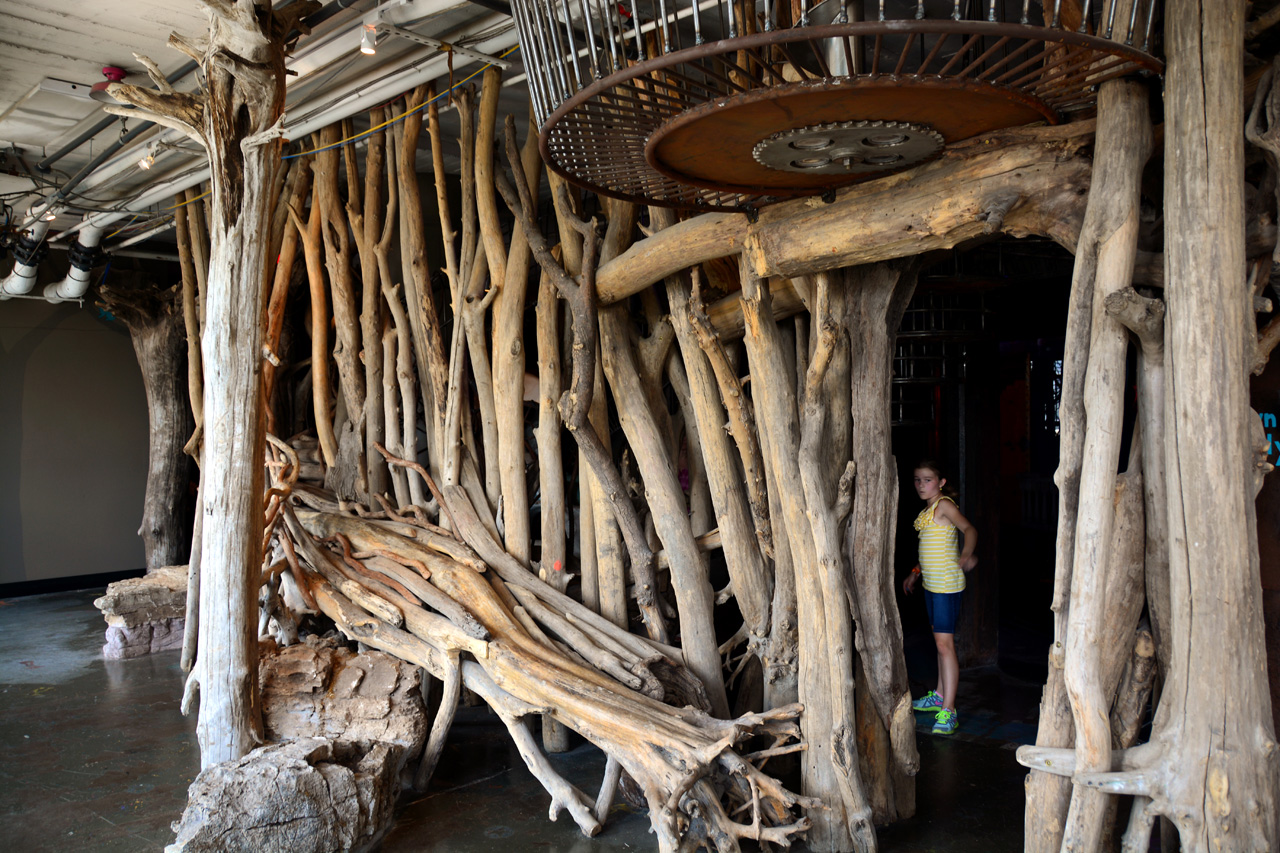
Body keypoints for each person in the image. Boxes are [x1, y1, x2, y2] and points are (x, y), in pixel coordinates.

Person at [902, 460, 977, 735]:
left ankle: (949, 710)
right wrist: (915, 572)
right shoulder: (929, 510)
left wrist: (967, 553)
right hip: (932, 586)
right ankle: (939, 695)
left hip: (946, 586)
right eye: (917, 480)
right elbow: (933, 549)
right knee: (939, 644)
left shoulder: (944, 505)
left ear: (941, 482)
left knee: (945, 646)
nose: (921, 485)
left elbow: (970, 530)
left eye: (928, 480)